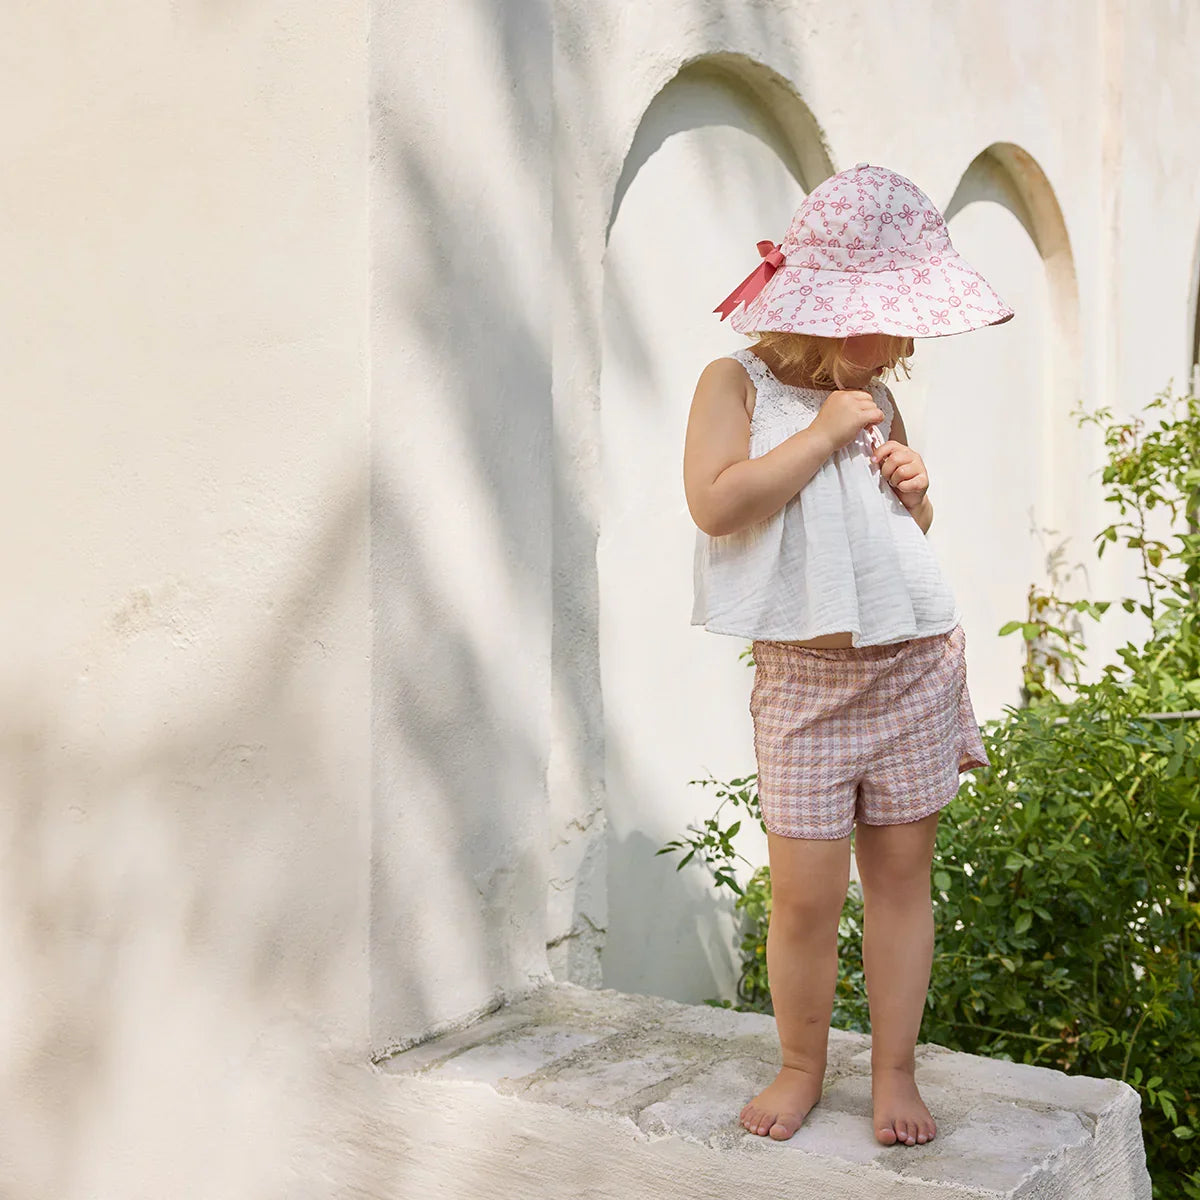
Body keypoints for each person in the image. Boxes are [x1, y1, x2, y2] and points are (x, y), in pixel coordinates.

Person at [682, 163, 1014, 1149]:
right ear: (824, 311)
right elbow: (716, 504)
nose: (899, 343)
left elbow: (892, 543)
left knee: (902, 881)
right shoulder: (736, 384)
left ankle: (896, 1072)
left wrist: (915, 490)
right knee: (805, 897)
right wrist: (824, 434)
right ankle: (800, 1065)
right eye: (885, 321)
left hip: (910, 669)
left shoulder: (875, 396)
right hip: (806, 684)